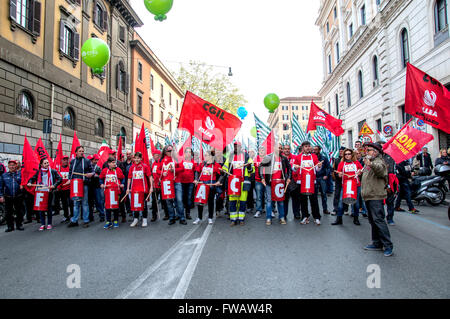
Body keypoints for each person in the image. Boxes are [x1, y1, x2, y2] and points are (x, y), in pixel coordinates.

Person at [361, 142, 393, 257]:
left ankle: (388, 245)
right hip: (369, 195)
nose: (366, 152)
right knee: (372, 220)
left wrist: (371, 164)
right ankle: (376, 242)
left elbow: (380, 171)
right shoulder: (369, 163)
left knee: (378, 220)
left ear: (375, 152)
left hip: (375, 195)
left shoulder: (379, 162)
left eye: (369, 150)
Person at [221, 141, 254, 226]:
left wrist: (249, 166)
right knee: (233, 201)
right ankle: (233, 219)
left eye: (238, 146)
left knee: (242, 201)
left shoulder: (246, 156)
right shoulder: (231, 156)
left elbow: (252, 169)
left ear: (240, 147)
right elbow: (225, 167)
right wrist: (224, 170)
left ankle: (241, 218)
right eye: (235, 146)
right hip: (233, 183)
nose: (236, 148)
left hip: (243, 182)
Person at [259, 144, 291, 225]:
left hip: (280, 183)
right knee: (269, 201)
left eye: (280, 148)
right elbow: (260, 167)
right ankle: (268, 218)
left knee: (280, 201)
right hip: (270, 183)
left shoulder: (283, 158)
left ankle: (282, 217)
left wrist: (288, 178)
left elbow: (289, 168)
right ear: (274, 148)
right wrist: (262, 178)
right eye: (278, 148)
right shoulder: (268, 157)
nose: (279, 149)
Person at [27, 158, 62, 231]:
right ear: (41, 165)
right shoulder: (38, 172)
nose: (47, 164)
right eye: (45, 163)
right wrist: (30, 182)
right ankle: (42, 224)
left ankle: (49, 223)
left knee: (49, 208)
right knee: (41, 209)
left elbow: (60, 179)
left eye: (47, 163)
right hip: (40, 192)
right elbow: (32, 178)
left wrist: (54, 185)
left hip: (49, 191)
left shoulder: (53, 171)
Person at [331, 149, 363, 226]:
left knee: (356, 203)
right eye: (346, 154)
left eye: (349, 154)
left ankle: (356, 218)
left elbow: (361, 170)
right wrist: (340, 175)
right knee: (341, 202)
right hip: (345, 185)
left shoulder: (356, 163)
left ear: (352, 155)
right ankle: (339, 218)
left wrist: (360, 172)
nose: (347, 155)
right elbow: (338, 173)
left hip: (356, 185)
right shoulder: (342, 164)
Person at [294, 141, 322, 225]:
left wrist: (319, 166)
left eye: (309, 146)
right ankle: (304, 216)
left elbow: (317, 169)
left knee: (314, 200)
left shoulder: (314, 157)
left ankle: (316, 217)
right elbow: (294, 168)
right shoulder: (298, 157)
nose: (308, 148)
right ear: (302, 148)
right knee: (303, 200)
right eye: (306, 146)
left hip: (311, 181)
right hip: (301, 182)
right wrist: (295, 167)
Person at [67, 146, 95, 228]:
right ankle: (74, 220)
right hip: (75, 184)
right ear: (76, 152)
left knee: (85, 203)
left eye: (83, 151)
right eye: (80, 151)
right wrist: (69, 179)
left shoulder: (87, 161)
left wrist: (91, 174)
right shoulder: (73, 161)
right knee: (76, 203)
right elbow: (70, 172)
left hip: (84, 184)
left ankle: (86, 220)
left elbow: (92, 171)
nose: (82, 152)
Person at [158, 145, 186, 225]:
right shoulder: (162, 160)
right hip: (166, 182)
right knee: (168, 200)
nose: (170, 152)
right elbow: (158, 170)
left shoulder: (176, 159)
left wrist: (175, 170)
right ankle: (172, 217)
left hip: (176, 181)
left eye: (172, 151)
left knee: (179, 200)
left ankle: (182, 217)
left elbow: (182, 168)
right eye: (169, 151)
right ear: (165, 152)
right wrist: (162, 173)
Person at [193, 150, 223, 224]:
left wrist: (218, 181)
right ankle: (199, 218)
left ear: (210, 156)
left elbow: (222, 174)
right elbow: (197, 171)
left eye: (206, 155)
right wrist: (196, 179)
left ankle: (210, 217)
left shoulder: (216, 165)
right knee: (200, 202)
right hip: (202, 185)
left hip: (211, 186)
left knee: (210, 201)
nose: (204, 157)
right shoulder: (202, 164)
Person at [127, 152, 152, 227]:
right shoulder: (132, 167)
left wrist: (151, 187)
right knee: (135, 205)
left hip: (143, 190)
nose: (137, 159)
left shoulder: (145, 166)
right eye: (135, 158)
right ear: (133, 158)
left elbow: (150, 177)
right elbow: (129, 178)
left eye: (138, 158)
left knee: (144, 205)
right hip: (134, 190)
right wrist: (128, 188)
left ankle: (144, 219)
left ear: (141, 158)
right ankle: (136, 219)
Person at [100, 158, 125, 229]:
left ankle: (116, 220)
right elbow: (100, 178)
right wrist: (101, 184)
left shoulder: (118, 170)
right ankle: (108, 221)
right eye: (113, 162)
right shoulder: (105, 171)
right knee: (107, 206)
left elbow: (123, 178)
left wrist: (122, 184)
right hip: (107, 191)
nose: (114, 164)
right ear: (108, 163)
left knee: (115, 206)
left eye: (115, 162)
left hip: (116, 191)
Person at [0, 160, 24, 232]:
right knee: (8, 212)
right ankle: (10, 226)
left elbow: (24, 183)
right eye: (10, 165)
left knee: (19, 211)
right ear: (8, 166)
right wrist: (1, 196)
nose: (12, 166)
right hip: (8, 196)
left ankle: (19, 225)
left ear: (16, 166)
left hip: (18, 196)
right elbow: (0, 187)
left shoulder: (20, 175)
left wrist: (22, 186)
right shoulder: (4, 175)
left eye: (13, 165)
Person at [379, 141, 398, 225]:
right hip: (379, 182)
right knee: (379, 202)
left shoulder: (391, 156)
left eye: (384, 146)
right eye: (381, 147)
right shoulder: (375, 158)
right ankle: (380, 217)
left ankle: (390, 217)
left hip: (389, 181)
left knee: (390, 201)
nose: (383, 148)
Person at [283, 144, 301, 220]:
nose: (287, 150)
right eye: (285, 149)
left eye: (288, 149)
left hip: (293, 180)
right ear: (283, 150)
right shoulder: (281, 158)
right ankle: (284, 214)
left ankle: (296, 213)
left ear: (290, 149)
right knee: (285, 199)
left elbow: (298, 168)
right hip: (284, 181)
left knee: (296, 198)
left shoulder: (295, 157)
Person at [313, 145, 331, 215]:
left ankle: (325, 209)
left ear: (319, 150)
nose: (314, 151)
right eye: (314, 150)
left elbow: (328, 167)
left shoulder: (324, 158)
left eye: (316, 150)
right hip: (314, 178)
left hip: (322, 177)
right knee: (314, 195)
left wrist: (326, 175)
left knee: (324, 194)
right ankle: (315, 210)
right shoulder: (312, 158)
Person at [179, 147, 196, 220]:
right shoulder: (181, 161)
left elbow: (195, 171)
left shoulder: (193, 162)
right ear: (184, 154)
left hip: (190, 182)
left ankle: (188, 213)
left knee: (189, 198)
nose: (188, 153)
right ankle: (181, 213)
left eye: (190, 152)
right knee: (182, 198)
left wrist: (195, 179)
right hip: (182, 182)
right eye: (187, 152)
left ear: (191, 154)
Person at [150, 150, 167, 221]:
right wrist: (152, 178)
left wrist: (158, 171)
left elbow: (164, 172)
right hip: (155, 185)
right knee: (154, 201)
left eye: (155, 155)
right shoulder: (153, 164)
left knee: (164, 200)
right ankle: (154, 215)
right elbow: (152, 173)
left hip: (161, 185)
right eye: (153, 155)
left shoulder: (162, 162)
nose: (154, 156)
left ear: (159, 155)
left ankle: (167, 214)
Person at [88, 154, 105, 222]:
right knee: (90, 202)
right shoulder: (87, 167)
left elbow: (101, 176)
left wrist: (96, 176)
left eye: (96, 160)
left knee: (99, 201)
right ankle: (90, 216)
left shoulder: (97, 167)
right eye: (94, 160)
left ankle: (102, 215)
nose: (95, 161)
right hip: (89, 186)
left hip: (97, 186)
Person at [54, 156, 72, 223]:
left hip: (69, 189)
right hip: (62, 189)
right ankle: (66, 216)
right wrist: (58, 187)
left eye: (67, 160)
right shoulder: (59, 169)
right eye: (64, 160)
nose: (66, 161)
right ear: (62, 161)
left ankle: (72, 215)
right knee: (64, 203)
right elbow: (57, 179)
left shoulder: (70, 168)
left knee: (71, 203)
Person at [331, 147, 347, 216]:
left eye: (342, 151)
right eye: (340, 151)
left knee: (345, 195)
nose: (341, 152)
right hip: (338, 180)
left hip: (346, 180)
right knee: (337, 195)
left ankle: (345, 209)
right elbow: (333, 169)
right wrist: (337, 176)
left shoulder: (347, 160)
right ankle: (335, 209)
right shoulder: (336, 160)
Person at [119, 150, 134, 223]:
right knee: (125, 196)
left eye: (129, 154)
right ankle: (128, 210)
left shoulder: (133, 163)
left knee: (132, 197)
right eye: (127, 154)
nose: (128, 155)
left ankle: (133, 210)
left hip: (133, 181)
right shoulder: (123, 164)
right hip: (125, 182)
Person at [253, 146, 266, 218]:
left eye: (263, 150)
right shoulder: (255, 159)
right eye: (260, 150)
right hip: (258, 180)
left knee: (267, 196)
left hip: (266, 180)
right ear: (258, 151)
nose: (261, 151)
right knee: (258, 196)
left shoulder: (267, 159)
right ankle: (258, 210)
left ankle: (270, 210)